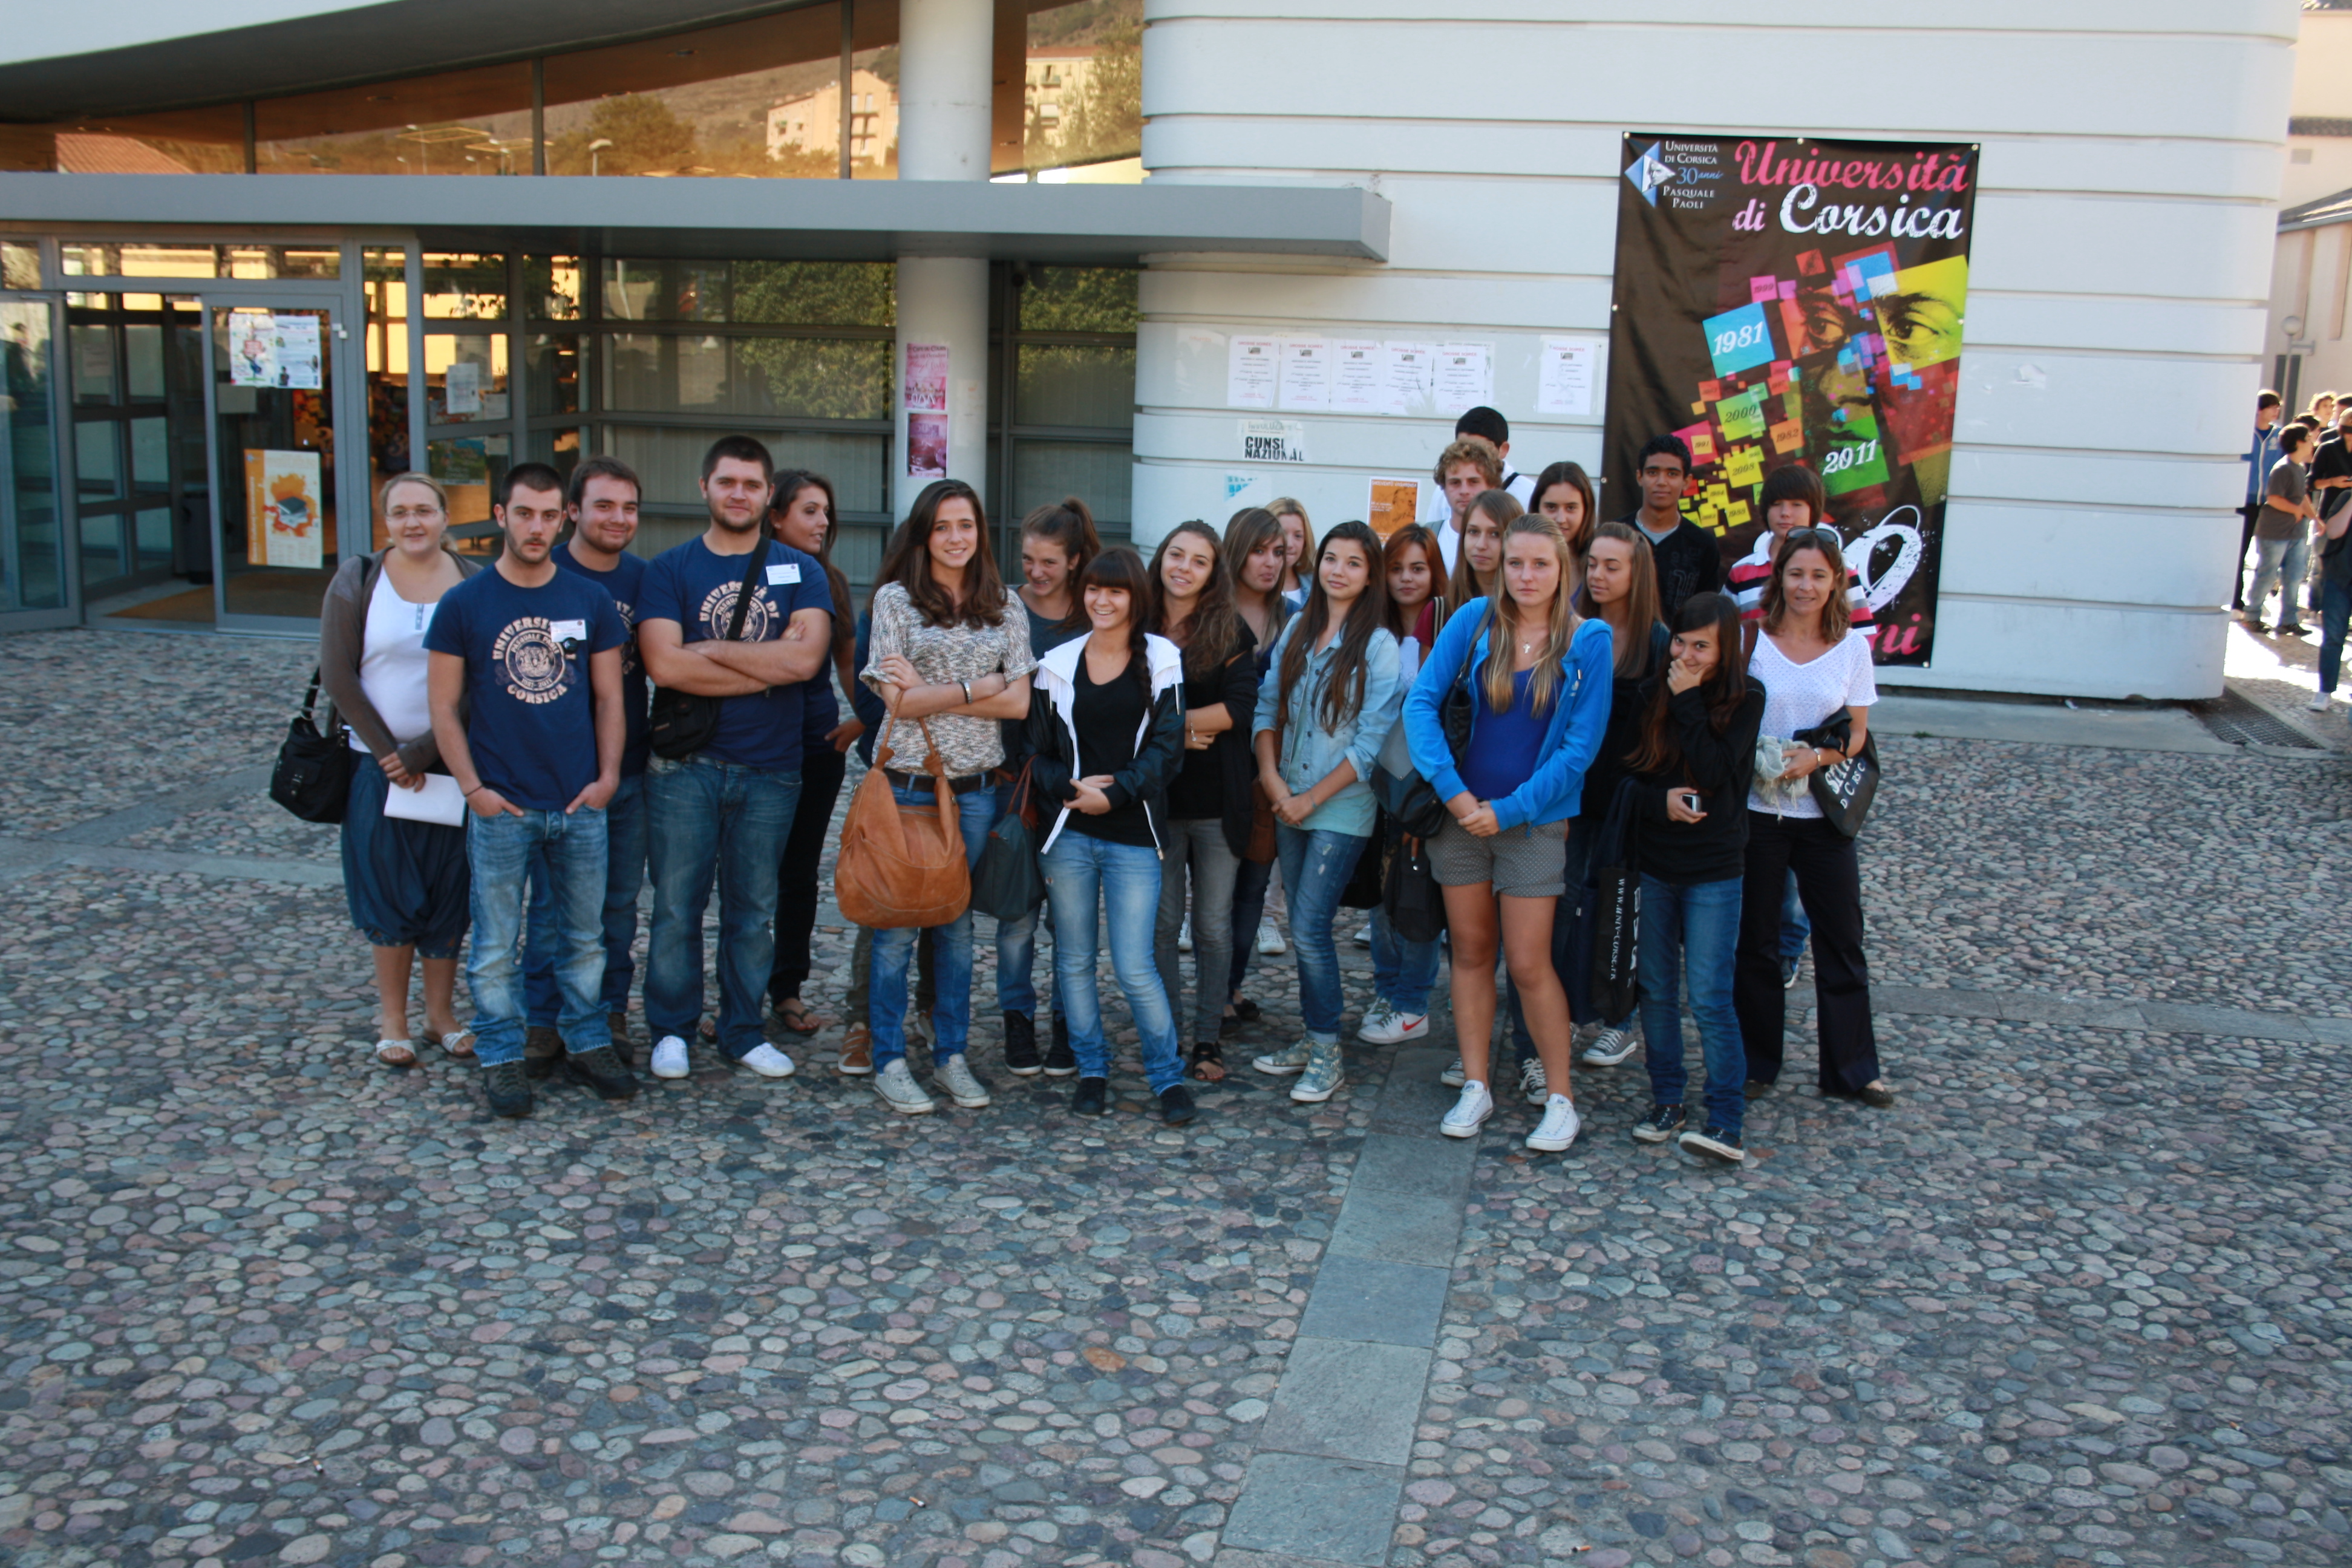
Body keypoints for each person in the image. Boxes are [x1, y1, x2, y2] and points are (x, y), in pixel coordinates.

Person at [425, 463, 632, 1118]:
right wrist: (473, 789)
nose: (536, 528)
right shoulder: (465, 603)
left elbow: (610, 698)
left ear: (564, 517)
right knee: (495, 945)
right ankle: (501, 1054)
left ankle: (587, 1039)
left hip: (578, 803)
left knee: (585, 939)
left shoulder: (589, 600)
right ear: (500, 516)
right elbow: (443, 706)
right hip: (502, 806)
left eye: (548, 515)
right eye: (524, 514)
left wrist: (606, 779)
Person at [1405, 512, 1611, 1152]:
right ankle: (1476, 1084)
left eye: (1540, 564)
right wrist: (1455, 793)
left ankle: (1560, 1098)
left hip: (1533, 824)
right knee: (1469, 953)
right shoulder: (1474, 620)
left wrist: (1510, 810)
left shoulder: (1588, 640)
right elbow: (1420, 704)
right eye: (1515, 562)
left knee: (1528, 963)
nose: (1526, 575)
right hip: (1460, 818)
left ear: (1562, 569)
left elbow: (1579, 751)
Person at [637, 435, 833, 1083]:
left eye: (752, 485)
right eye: (728, 482)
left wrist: (709, 649)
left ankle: (743, 1031)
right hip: (685, 768)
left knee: (753, 913)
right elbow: (666, 666)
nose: (739, 495)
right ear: (705, 488)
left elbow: (805, 662)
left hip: (772, 768)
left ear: (768, 494)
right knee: (676, 908)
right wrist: (767, 663)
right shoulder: (668, 569)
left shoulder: (802, 570)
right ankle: (671, 1029)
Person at [859, 479, 1038, 1116]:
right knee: (895, 931)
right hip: (908, 789)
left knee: (957, 930)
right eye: (942, 527)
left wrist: (935, 691)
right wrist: (977, 686)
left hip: (976, 792)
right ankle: (888, 1060)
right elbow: (895, 702)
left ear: (980, 532)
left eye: (966, 525)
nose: (956, 537)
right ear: (923, 534)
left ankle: (951, 1056)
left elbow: (1018, 703)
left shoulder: (1005, 604)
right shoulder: (895, 600)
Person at [1487, 519, 1665, 1091]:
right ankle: (1535, 1045)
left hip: (1624, 802)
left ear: (1638, 574)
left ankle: (1617, 1018)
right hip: (1560, 799)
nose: (1600, 575)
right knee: (1547, 929)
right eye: (1594, 565)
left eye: (1614, 566)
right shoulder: (1563, 629)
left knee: (1616, 911)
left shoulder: (1656, 641)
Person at [319, 472, 480, 1068]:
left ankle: (440, 1016)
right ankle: (393, 1018)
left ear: (445, 517)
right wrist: (390, 751)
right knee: (385, 888)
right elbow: (338, 673)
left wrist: (427, 750)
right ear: (386, 520)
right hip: (376, 766)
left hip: (451, 763)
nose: (413, 522)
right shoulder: (359, 579)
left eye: (425, 510)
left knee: (448, 888)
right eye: (400, 512)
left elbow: (483, 676)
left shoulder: (473, 581)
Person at [1028, 547, 1194, 1124]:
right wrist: (1071, 790)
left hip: (1133, 835)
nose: (1102, 600)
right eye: (1094, 588)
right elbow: (1034, 754)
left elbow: (1168, 751)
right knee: (1074, 960)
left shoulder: (1162, 658)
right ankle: (1092, 1070)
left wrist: (1116, 792)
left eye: (1115, 591)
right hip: (1069, 835)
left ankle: (1167, 1076)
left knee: (1134, 966)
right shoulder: (1056, 663)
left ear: (1134, 598)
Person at [1735, 528, 1890, 1108]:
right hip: (1758, 813)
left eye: (1818, 576)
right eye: (1796, 573)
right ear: (1779, 577)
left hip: (1822, 816)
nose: (1805, 586)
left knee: (1842, 939)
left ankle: (1853, 1069)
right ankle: (1757, 1064)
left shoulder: (1852, 648)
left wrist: (1816, 757)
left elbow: (1857, 734)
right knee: (1756, 943)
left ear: (1836, 583)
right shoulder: (1752, 640)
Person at [1248, 521, 1402, 1103]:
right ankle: (1313, 1038)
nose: (1339, 571)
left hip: (1340, 808)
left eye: (1354, 563)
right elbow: (1267, 706)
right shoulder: (1297, 627)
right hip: (1286, 798)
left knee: (1311, 927)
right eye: (1332, 559)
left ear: (1370, 576)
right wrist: (1272, 781)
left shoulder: (1379, 646)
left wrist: (1309, 799)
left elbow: (1369, 746)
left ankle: (1326, 1051)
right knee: (1301, 926)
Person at [1624, 591, 1766, 1163]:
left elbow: (1713, 771)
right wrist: (1658, 802)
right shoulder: (1650, 694)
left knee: (1709, 996)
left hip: (1714, 870)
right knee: (1656, 990)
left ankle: (1726, 1120)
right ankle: (1667, 1100)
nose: (1685, 656)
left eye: (1701, 647)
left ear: (1726, 650)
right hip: (1656, 863)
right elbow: (1626, 778)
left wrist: (1686, 700)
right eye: (1680, 643)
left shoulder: (1749, 699)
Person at [520, 456, 650, 1078]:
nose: (617, 518)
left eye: (629, 507)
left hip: (628, 772)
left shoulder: (646, 579)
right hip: (555, 777)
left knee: (617, 906)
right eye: (603, 505)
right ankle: (543, 1020)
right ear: (572, 511)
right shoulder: (543, 573)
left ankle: (608, 1013)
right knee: (551, 907)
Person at [1148, 521, 1259, 1082]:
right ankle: (1168, 1033)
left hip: (1218, 802)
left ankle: (1207, 1038)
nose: (1184, 568)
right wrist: (1179, 734)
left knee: (1213, 927)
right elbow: (1119, 703)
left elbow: (1238, 710)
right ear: (1161, 558)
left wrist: (1165, 727)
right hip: (1156, 803)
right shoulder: (1136, 622)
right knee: (1163, 925)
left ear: (1213, 574)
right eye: (1176, 555)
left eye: (1199, 561)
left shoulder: (1230, 629)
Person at [1001, 498, 1101, 1076]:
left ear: (1074, 561)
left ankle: (1069, 1021)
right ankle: (1017, 1020)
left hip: (1072, 785)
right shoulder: (1005, 608)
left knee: (1070, 920)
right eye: (1028, 560)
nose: (1036, 572)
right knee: (1017, 917)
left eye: (1048, 562)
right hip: (1014, 783)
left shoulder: (1091, 616)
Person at [766, 471, 861, 1036]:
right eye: (809, 511)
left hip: (816, 747)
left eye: (826, 511)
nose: (823, 522)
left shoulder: (833, 580)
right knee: (749, 877)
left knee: (799, 875)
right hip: (755, 747)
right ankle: (736, 996)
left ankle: (787, 989)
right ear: (775, 516)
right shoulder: (748, 574)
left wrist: (864, 719)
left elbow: (848, 660)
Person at [1359, 523, 1445, 1047]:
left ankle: (1413, 1001)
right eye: (1396, 569)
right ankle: (1386, 989)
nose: (1407, 579)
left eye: (1418, 568)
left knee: (1416, 896)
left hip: (1423, 787)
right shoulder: (1374, 630)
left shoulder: (1450, 627)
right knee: (1379, 893)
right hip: (1373, 781)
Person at [1223, 506, 1292, 1013]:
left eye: (1278, 552)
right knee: (1211, 895)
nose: (1269, 563)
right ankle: (1211, 993)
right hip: (1213, 768)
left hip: (1270, 771)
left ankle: (1229, 988)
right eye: (1258, 551)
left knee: (1252, 888)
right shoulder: (1212, 612)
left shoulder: (1296, 618)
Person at [1726, 464, 1873, 637]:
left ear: (1814, 510)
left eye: (1796, 504)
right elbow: (1724, 636)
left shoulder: (1842, 569)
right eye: (1776, 504)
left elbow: (1863, 638)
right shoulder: (1741, 572)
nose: (1785, 513)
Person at [1624, 434, 1722, 621]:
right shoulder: (1615, 536)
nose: (1662, 482)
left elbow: (1706, 615)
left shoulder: (1703, 545)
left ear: (1687, 481)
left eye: (1672, 474)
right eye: (1653, 473)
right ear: (1639, 477)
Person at [1422, 408, 1536, 538]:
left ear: (1503, 449)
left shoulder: (1528, 493)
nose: (1471, 454)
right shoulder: (1442, 491)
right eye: (1463, 446)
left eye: (1482, 449)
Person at [2246, 423, 2316, 636]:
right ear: (2299, 443)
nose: (2313, 443)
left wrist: (2316, 519)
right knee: (2268, 574)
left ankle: (2288, 620)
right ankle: (2252, 616)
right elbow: (2274, 498)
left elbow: (2302, 496)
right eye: (2309, 439)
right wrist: (2296, 510)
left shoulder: (2299, 468)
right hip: (2275, 532)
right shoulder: (2282, 468)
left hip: (2296, 533)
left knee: (2294, 577)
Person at [1428, 436, 1504, 575]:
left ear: (1492, 485)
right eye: (1455, 483)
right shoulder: (1428, 536)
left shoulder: (1509, 537)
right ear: (1444, 487)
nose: (1464, 491)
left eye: (1473, 482)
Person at [2237, 391, 2283, 612]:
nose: (2276, 411)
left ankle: (2260, 600)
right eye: (2272, 407)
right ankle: (2237, 600)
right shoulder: (2244, 433)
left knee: (2270, 554)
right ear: (2259, 409)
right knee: (2240, 552)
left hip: (2270, 503)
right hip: (2245, 501)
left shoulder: (2279, 435)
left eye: (2278, 407)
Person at [1445, 486, 1518, 609]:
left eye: (1495, 534)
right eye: (1474, 532)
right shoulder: (1439, 610)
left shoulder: (1532, 612)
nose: (1481, 545)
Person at [1529, 460, 1598, 568]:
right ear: (1537, 508)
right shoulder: (1517, 558)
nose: (1561, 519)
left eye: (1571, 508)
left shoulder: (1600, 561)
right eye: (1551, 507)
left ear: (1586, 509)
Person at [1271, 497, 1316, 603]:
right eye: (1282, 534)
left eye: (1298, 536)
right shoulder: (1247, 586)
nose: (1290, 544)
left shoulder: (1316, 584)